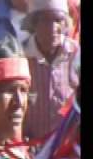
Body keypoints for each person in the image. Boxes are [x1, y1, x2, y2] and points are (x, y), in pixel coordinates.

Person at [21, 0, 80, 139]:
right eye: (45, 20)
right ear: (34, 24)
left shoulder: (76, 54)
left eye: (58, 20)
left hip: (67, 146)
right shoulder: (21, 56)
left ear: (65, 24)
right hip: (30, 147)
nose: (53, 27)